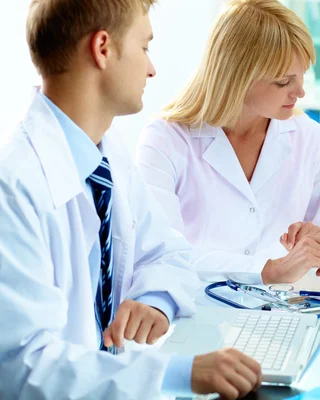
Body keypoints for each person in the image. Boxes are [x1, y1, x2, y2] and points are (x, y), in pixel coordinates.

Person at [0, 1, 261, 398]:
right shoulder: (15, 185)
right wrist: (179, 373)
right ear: (102, 48)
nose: (152, 69)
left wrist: (154, 300)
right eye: (144, 47)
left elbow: (169, 253)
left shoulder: (106, 156)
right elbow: (24, 367)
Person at [136, 0, 320, 286]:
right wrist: (269, 270)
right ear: (239, 76)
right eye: (284, 81)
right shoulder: (165, 140)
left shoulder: (310, 139)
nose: (300, 91)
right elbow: (159, 254)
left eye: (302, 76)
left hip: (282, 312)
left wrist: (318, 248)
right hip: (193, 315)